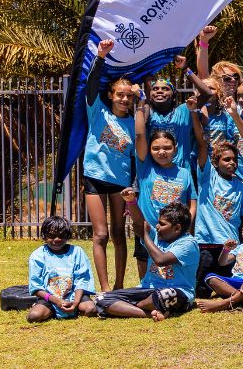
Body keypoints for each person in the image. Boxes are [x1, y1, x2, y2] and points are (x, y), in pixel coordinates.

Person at [190, 96, 243, 297]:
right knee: (201, 291)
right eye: (226, 159)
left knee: (227, 288)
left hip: (229, 246)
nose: (232, 163)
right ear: (216, 162)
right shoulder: (207, 176)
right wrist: (195, 114)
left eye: (235, 160)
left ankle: (237, 299)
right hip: (206, 242)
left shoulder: (240, 184)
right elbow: (202, 146)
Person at [81, 39, 135, 292]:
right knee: (100, 234)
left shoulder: (136, 124)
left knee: (118, 234)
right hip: (94, 176)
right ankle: (104, 288)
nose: (124, 99)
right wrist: (100, 56)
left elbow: (138, 156)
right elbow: (90, 85)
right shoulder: (98, 112)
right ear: (111, 95)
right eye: (120, 95)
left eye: (128, 96)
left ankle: (120, 285)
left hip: (119, 182)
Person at [99, 202, 198, 320]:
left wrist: (145, 236)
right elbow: (141, 225)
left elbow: (161, 260)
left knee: (162, 296)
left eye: (162, 224)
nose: (157, 226)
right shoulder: (158, 236)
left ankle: (130, 306)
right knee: (101, 298)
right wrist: (131, 201)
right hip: (147, 288)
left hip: (178, 292)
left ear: (177, 228)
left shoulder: (188, 244)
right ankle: (147, 313)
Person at [132, 102, 196, 280]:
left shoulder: (184, 172)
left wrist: (186, 226)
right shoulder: (145, 167)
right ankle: (145, 289)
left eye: (167, 148)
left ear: (175, 148)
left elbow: (192, 202)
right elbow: (139, 134)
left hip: (175, 232)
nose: (162, 152)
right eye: (156, 148)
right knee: (145, 263)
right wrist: (140, 104)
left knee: (170, 271)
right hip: (148, 228)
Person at [26, 215, 96, 321]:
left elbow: (82, 279)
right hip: (50, 298)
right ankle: (49, 310)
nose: (57, 239)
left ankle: (74, 309)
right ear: (44, 236)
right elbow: (36, 287)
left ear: (68, 236)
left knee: (90, 309)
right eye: (52, 236)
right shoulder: (37, 256)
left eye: (61, 235)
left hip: (74, 296)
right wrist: (57, 301)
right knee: (34, 316)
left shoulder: (77, 252)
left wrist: (76, 302)